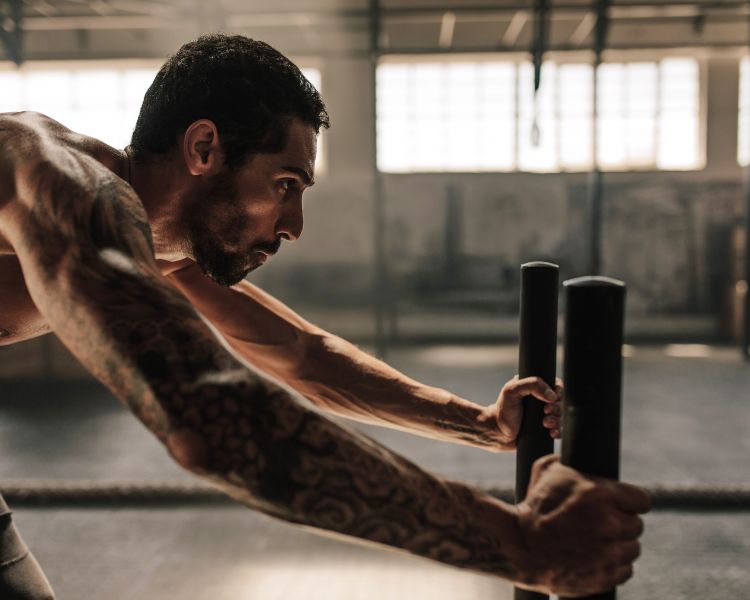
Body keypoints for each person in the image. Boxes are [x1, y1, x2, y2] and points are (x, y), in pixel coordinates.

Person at [0, 34, 650, 598]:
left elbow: (303, 357)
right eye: (285, 186)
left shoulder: (159, 247)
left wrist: (480, 425)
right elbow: (214, 422)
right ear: (203, 147)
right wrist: (521, 544)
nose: (295, 226)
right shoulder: (64, 186)